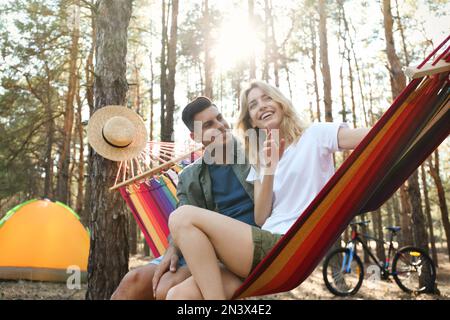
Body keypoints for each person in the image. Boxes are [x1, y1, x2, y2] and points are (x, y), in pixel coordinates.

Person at [166, 80, 371, 300]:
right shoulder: (260, 158)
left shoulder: (315, 134)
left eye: (267, 98)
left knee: (182, 217)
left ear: (281, 103)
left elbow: (377, 135)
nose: (261, 106)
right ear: (251, 119)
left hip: (287, 247)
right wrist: (270, 167)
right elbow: (261, 217)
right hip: (262, 249)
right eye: (253, 105)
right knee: (178, 296)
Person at [111, 96, 259, 299]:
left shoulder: (254, 152)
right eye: (208, 125)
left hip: (238, 246)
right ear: (195, 136)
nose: (220, 126)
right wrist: (172, 248)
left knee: (164, 289)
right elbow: (182, 213)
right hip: (198, 244)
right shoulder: (190, 175)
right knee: (132, 282)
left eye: (219, 118)